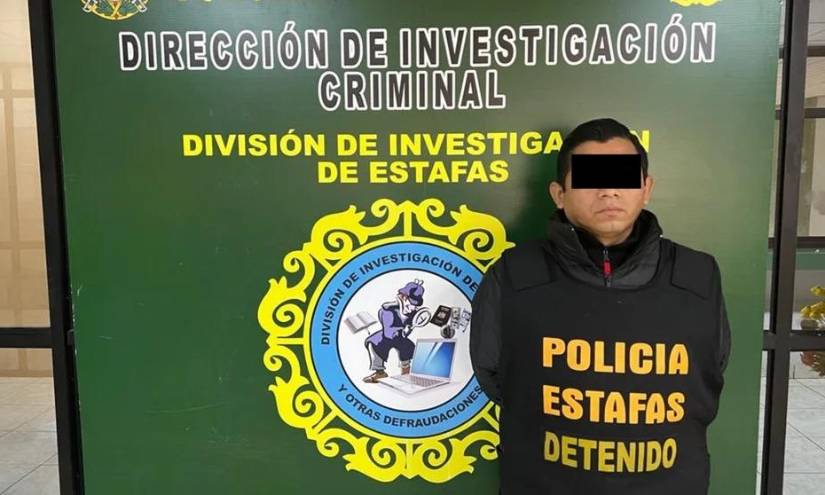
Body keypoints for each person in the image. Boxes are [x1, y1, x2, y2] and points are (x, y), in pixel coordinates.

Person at [469, 118, 731, 494]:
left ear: (646, 188)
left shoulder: (698, 275)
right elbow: (493, 374)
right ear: (559, 194)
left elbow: (710, 370)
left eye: (623, 177)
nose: (609, 191)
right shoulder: (513, 274)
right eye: (590, 179)